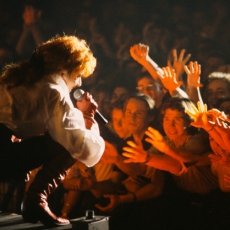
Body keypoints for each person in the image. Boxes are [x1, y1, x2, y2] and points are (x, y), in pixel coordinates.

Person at [0, 35, 105, 226]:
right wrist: (87, 116)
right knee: (67, 145)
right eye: (78, 75)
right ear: (63, 71)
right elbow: (83, 148)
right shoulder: (53, 92)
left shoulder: (19, 80)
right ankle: (36, 200)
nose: (79, 83)